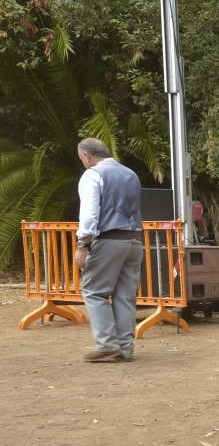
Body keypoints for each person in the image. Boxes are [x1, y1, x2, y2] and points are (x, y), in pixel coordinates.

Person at [73, 138, 144, 363]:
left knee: (94, 291)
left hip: (109, 239)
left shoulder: (93, 175)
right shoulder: (130, 174)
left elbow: (90, 213)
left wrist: (82, 244)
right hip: (134, 240)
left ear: (87, 156)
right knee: (125, 296)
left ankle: (106, 344)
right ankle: (125, 348)